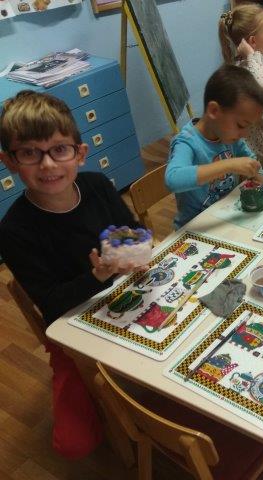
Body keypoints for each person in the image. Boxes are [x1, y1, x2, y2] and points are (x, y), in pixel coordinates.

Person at [0, 91, 144, 458]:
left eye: (59, 150)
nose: (47, 164)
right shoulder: (14, 230)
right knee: (75, 445)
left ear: (79, 153)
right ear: (10, 162)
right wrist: (97, 276)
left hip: (125, 293)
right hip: (72, 323)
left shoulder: (97, 185)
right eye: (29, 153)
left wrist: (136, 253)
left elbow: (134, 229)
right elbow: (51, 303)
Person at [165, 65, 263, 229]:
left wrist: (261, 181)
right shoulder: (186, 142)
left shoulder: (228, 136)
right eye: (241, 125)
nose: (245, 134)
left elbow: (251, 161)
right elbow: (173, 179)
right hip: (193, 229)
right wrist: (229, 164)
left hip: (224, 220)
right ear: (214, 111)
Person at [219, 4, 263, 169]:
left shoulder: (257, 57)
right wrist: (250, 54)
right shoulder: (244, 68)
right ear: (253, 41)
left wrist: (253, 54)